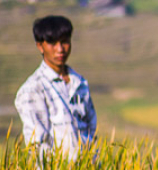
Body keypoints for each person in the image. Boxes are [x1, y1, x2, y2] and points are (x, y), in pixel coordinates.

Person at [14, 16, 97, 161]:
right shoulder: (33, 89)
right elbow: (37, 144)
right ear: (40, 46)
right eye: (52, 43)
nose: (60, 49)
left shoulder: (80, 83)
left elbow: (91, 129)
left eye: (64, 41)